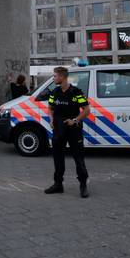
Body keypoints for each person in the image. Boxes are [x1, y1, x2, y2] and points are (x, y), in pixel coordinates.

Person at [44, 66, 90, 198]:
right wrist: (51, 119)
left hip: (73, 130)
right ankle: (58, 184)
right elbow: (50, 108)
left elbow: (87, 110)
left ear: (62, 77)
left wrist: (75, 120)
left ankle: (83, 185)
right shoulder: (54, 92)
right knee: (58, 158)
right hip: (58, 130)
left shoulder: (76, 92)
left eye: (55, 76)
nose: (53, 78)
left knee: (78, 158)